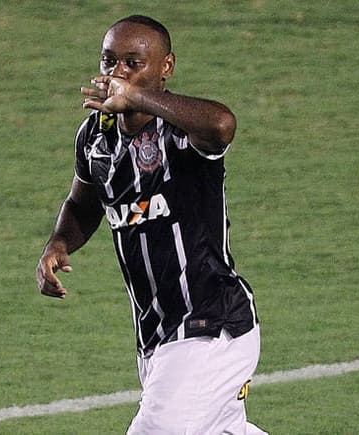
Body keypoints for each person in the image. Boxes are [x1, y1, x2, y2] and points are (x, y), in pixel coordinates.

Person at [36, 15, 267, 435]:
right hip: (157, 336)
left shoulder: (182, 131)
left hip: (210, 325)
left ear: (166, 68)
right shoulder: (96, 137)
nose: (118, 74)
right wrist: (59, 243)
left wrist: (138, 100)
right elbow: (83, 203)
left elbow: (222, 124)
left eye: (132, 63)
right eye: (110, 62)